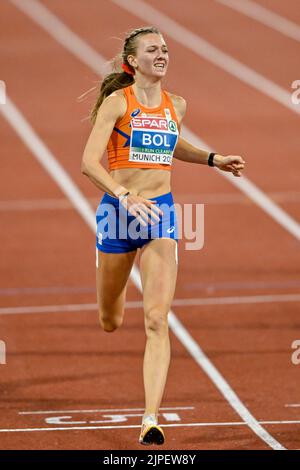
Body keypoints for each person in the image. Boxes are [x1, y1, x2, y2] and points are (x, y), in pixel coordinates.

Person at [81, 26, 245, 446]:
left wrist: (212, 159)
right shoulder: (119, 102)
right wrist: (125, 195)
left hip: (162, 216)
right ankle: (109, 282)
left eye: (166, 49)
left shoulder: (177, 104)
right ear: (133, 61)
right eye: (152, 49)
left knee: (156, 318)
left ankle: (150, 418)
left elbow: (171, 144)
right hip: (119, 215)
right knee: (110, 321)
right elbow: (88, 162)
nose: (162, 54)